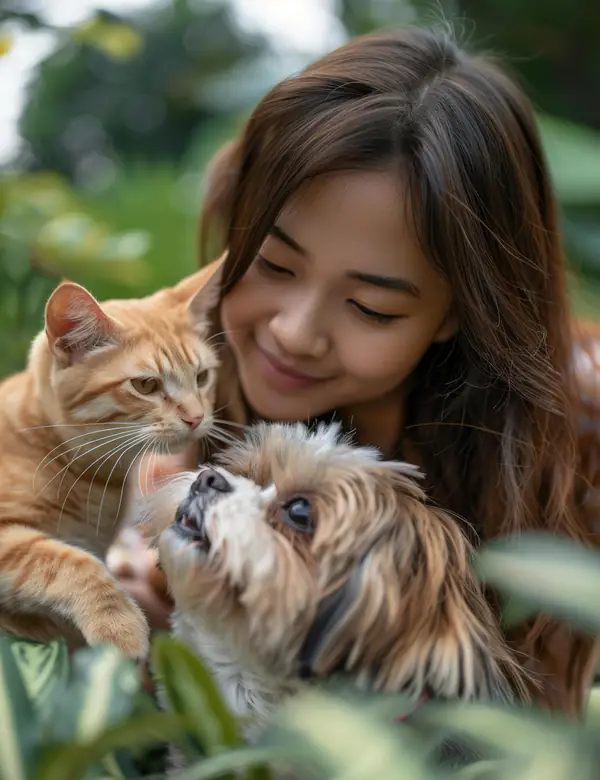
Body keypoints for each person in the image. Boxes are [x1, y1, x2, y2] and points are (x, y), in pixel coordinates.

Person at [120, 26, 600, 717]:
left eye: (370, 306)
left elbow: (544, 736)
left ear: (459, 312)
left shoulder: (574, 451)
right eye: (273, 264)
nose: (293, 331)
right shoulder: (175, 402)